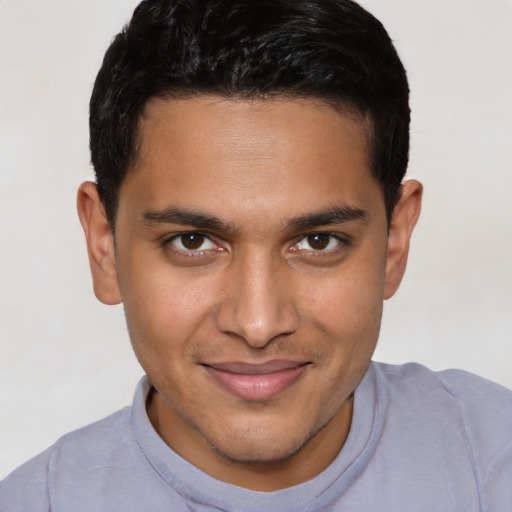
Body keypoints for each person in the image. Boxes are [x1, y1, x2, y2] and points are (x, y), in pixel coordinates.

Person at [1, 0, 510, 510]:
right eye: (193, 241)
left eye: (318, 241)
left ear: (394, 241)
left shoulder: (491, 462)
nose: (259, 323)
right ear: (104, 245)